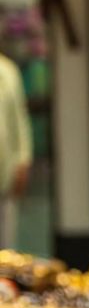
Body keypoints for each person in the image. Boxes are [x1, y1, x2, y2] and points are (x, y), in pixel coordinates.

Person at [0, 51, 31, 249]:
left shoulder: (7, 71)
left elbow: (19, 120)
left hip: (4, 173)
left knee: (4, 247)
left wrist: (22, 161)